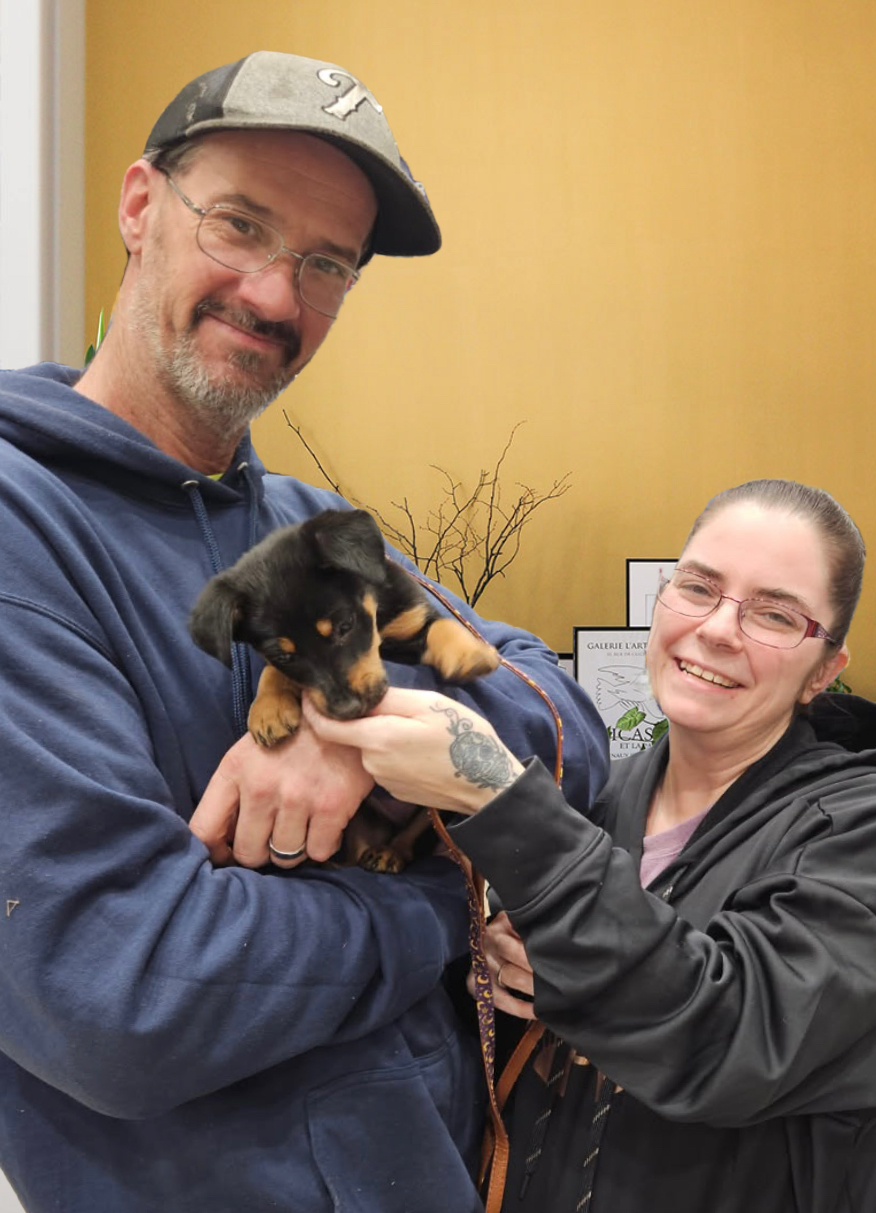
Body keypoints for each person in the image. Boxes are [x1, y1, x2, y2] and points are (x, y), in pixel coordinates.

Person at [0, 51, 609, 1213]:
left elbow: (566, 721)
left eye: (327, 263)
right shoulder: (26, 528)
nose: (277, 297)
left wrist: (354, 729)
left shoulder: (310, 526)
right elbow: (125, 999)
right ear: (139, 205)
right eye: (239, 224)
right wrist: (448, 901)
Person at [302, 479, 876, 1213]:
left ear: (823, 670)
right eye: (698, 587)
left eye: (775, 614)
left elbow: (727, 1039)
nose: (718, 629)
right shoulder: (601, 792)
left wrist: (497, 796)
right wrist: (489, 961)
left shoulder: (874, 833)